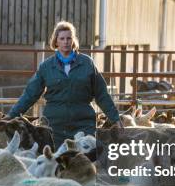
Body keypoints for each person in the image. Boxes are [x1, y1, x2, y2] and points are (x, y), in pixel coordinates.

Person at [7, 21, 121, 150]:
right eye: (62, 38)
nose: (66, 42)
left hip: (83, 123)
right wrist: (11, 116)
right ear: (56, 41)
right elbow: (30, 94)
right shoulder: (47, 66)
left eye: (69, 38)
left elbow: (101, 94)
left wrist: (115, 118)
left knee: (85, 161)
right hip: (54, 125)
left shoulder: (86, 63)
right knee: (56, 162)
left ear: (73, 41)